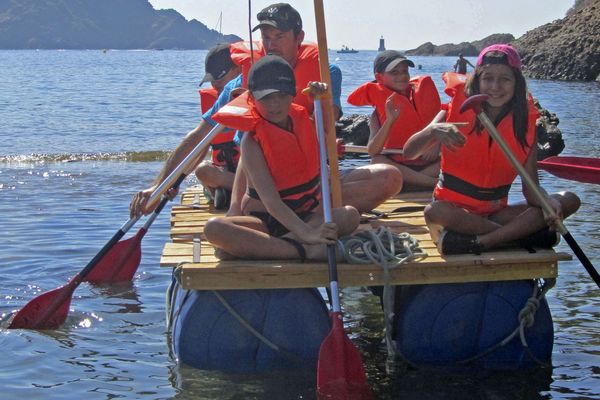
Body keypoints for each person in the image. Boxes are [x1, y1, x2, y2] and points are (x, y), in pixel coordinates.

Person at [130, 2, 401, 218]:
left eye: (279, 37)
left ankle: (299, 213)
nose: (271, 45)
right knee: (244, 143)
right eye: (265, 37)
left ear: (299, 38)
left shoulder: (325, 73)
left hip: (309, 180)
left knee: (390, 178)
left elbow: (329, 123)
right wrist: (160, 184)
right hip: (259, 182)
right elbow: (201, 135)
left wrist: (322, 99)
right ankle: (259, 212)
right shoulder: (242, 83)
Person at [403, 44, 580, 255]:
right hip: (456, 214)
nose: (495, 86)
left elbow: (531, 190)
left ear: (517, 84)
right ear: (477, 80)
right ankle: (516, 238)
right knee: (435, 211)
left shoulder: (524, 124)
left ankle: (483, 242)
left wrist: (547, 202)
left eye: (505, 79)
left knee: (568, 199)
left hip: (495, 214)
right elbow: (409, 152)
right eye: (488, 78)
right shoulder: (454, 109)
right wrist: (433, 131)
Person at [204, 56, 360, 261]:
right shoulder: (251, 142)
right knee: (214, 228)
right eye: (266, 97)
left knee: (350, 215)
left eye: (281, 95)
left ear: (293, 93)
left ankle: (270, 249)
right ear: (251, 98)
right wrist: (307, 235)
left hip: (305, 216)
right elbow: (271, 202)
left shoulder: (307, 122)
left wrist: (322, 100)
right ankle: (305, 251)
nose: (274, 104)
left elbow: (327, 130)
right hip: (266, 221)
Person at [347, 50, 441, 189]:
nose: (402, 76)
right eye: (394, 72)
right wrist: (389, 121)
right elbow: (373, 151)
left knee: (456, 154)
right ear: (379, 77)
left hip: (429, 163)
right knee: (377, 160)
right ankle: (430, 183)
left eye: (405, 71)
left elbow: (444, 123)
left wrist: (436, 143)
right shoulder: (376, 115)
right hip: (400, 166)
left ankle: (410, 182)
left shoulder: (425, 95)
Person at [194, 44, 242, 209]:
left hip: (254, 171)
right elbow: (199, 144)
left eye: (219, 79)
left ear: (237, 69)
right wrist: (174, 181)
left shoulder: (255, 91)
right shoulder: (218, 102)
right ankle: (228, 189)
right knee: (202, 171)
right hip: (229, 172)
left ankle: (234, 191)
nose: (214, 85)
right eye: (211, 81)